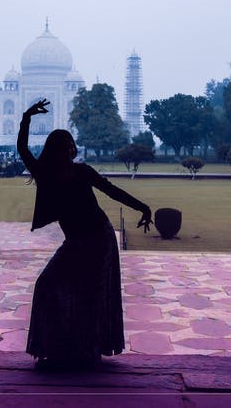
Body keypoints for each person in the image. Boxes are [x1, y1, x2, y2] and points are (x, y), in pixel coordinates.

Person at [17, 99, 153, 371]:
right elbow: (22, 149)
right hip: (76, 241)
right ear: (56, 150)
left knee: (91, 295)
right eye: (64, 147)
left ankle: (87, 353)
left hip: (99, 239)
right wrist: (26, 117)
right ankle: (57, 350)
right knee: (49, 285)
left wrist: (143, 206)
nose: (69, 151)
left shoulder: (81, 171)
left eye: (70, 147)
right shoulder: (46, 174)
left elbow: (111, 190)